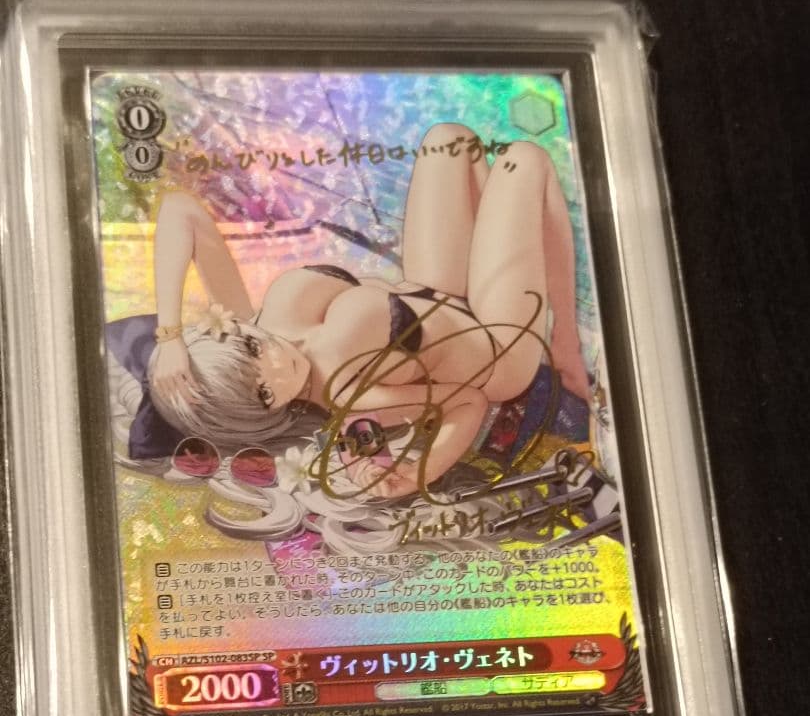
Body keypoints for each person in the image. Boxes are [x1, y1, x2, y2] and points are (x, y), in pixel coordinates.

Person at [143, 122, 589, 499]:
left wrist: (171, 337)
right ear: (269, 412)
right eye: (264, 392)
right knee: (523, 160)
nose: (278, 364)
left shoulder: (254, 322)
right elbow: (467, 401)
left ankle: (515, 257)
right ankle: (565, 343)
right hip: (495, 349)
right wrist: (423, 471)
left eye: (254, 351)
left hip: (435, 289)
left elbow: (181, 211)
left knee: (449, 139)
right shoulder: (347, 395)